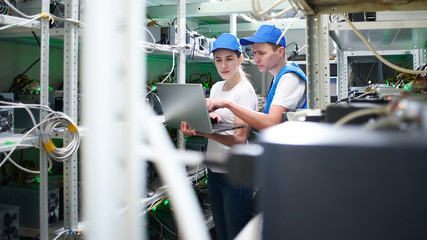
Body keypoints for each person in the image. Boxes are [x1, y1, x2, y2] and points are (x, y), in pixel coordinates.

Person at [180, 33, 257, 240]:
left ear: (240, 59)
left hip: (235, 174)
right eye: (218, 60)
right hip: (214, 170)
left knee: (236, 234)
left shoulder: (245, 92)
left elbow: (239, 140)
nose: (224, 65)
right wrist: (202, 122)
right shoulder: (215, 87)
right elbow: (220, 121)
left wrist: (205, 133)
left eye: (229, 59)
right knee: (221, 233)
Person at [206, 25, 307, 131]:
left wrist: (227, 104)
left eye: (262, 53)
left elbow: (271, 123)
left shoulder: (290, 78)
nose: (256, 59)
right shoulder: (280, 77)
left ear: (280, 52)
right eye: (254, 53)